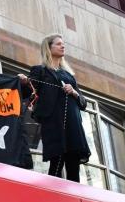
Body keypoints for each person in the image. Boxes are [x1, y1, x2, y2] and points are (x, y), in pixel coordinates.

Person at [18, 35, 90, 182]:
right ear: (49, 48)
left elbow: (83, 103)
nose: (62, 46)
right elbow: (28, 92)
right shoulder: (40, 71)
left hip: (73, 124)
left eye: (63, 44)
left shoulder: (69, 75)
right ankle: (53, 198)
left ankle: (74, 199)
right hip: (54, 123)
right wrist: (24, 82)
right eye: (58, 44)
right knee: (57, 163)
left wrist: (75, 92)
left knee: (73, 165)